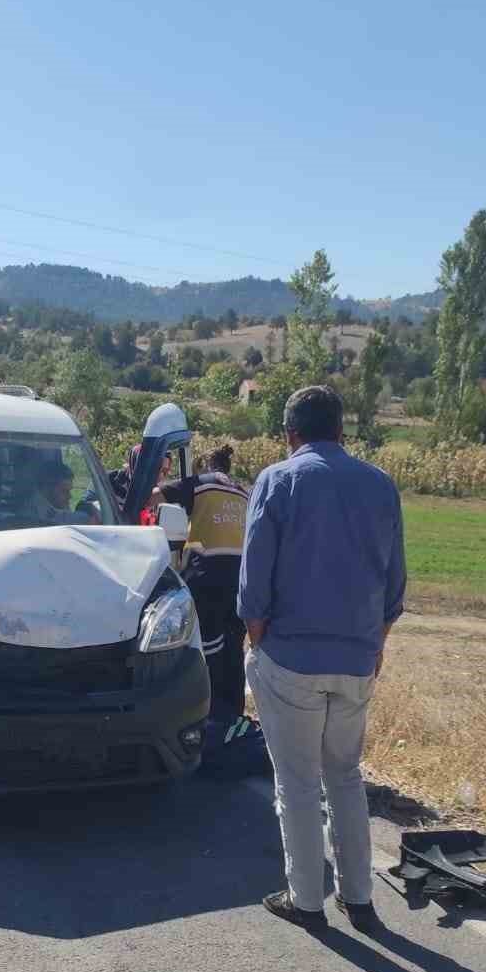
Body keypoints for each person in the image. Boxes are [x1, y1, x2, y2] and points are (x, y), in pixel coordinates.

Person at [238, 385, 406, 933]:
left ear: (290, 435)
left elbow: (254, 581)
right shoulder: (381, 485)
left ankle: (305, 898)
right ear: (341, 431)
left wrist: (257, 637)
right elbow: (394, 582)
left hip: (291, 657)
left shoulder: (278, 480)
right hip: (356, 658)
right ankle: (358, 898)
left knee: (297, 781)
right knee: (345, 776)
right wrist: (374, 642)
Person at [156, 443, 249, 719]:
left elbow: (154, 497)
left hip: (207, 578)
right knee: (233, 647)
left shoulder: (201, 483)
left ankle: (209, 713)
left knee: (206, 648)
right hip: (241, 582)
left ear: (203, 467)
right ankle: (233, 713)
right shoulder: (243, 492)